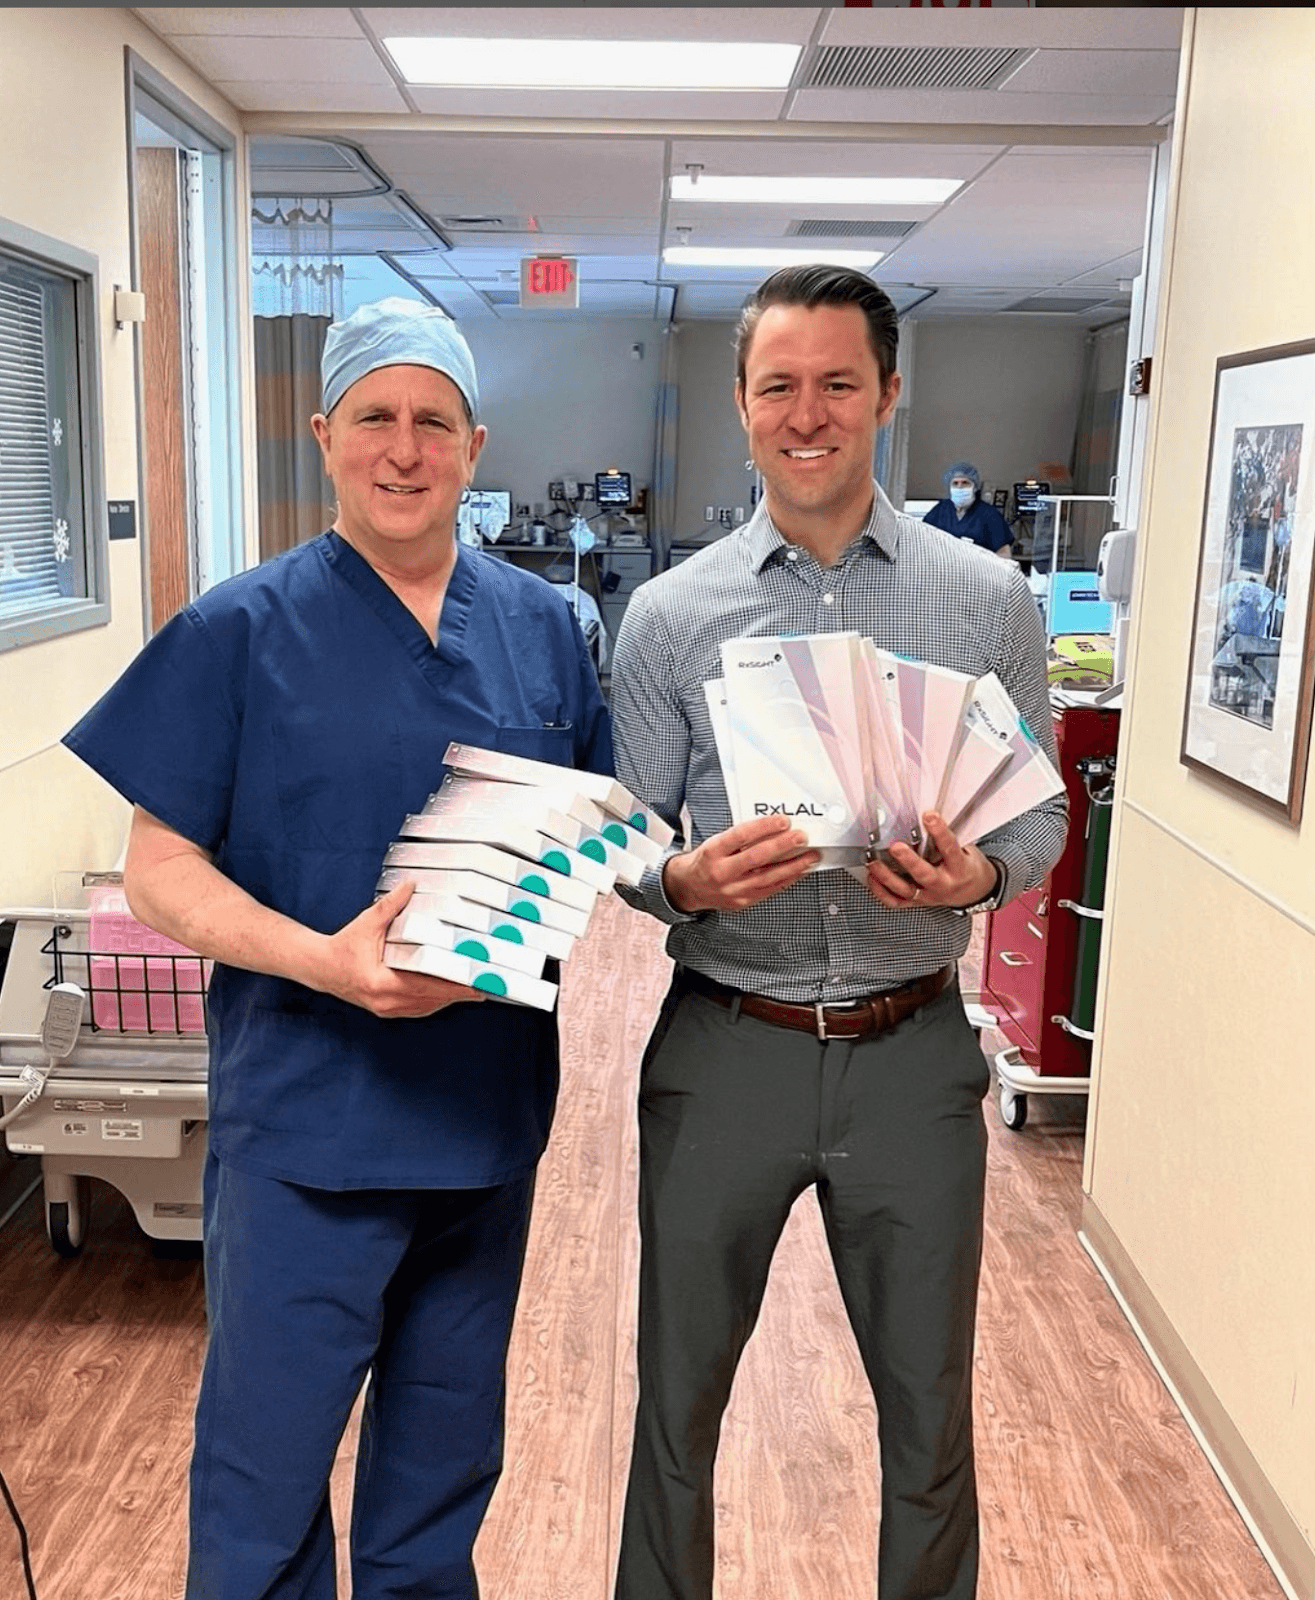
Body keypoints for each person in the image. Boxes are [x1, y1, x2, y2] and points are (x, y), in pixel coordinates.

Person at [63, 297, 611, 1600]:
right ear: (323, 435)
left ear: (475, 446)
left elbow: (591, 826)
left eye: (433, 422)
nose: (403, 449)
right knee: (262, 1491)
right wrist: (327, 963)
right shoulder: (236, 631)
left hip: (481, 1129)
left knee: (437, 1489)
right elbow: (158, 871)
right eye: (374, 417)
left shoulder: (542, 628)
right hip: (308, 1131)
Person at [608, 264, 1067, 1600]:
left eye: (835, 385)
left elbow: (1039, 814)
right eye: (777, 386)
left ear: (885, 394)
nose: (805, 414)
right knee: (674, 1413)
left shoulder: (983, 601)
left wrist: (977, 875)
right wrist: (682, 881)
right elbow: (624, 835)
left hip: (912, 1056)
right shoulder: (670, 616)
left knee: (928, 1418)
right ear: (739, 403)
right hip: (723, 1049)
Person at [923, 460, 1014, 556]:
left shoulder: (990, 515)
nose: (960, 487)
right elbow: (923, 537)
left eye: (965, 483)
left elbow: (1004, 551)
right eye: (955, 483)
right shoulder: (940, 511)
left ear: (975, 487)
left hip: (978, 564)